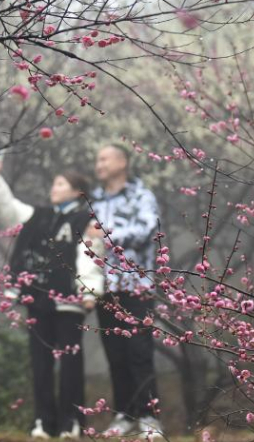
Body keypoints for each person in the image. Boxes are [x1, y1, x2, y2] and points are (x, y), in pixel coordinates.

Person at [0, 158, 104, 440]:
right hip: (37, 299)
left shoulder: (86, 220)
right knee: (40, 362)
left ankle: (71, 422)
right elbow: (7, 207)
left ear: (77, 191)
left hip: (69, 301)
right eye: (54, 183)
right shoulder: (39, 215)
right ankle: (43, 423)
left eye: (60, 184)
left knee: (71, 362)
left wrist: (89, 292)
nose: (54, 189)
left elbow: (92, 255)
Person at [87, 144, 164, 440]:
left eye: (104, 158)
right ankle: (125, 415)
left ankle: (149, 416)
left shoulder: (141, 197)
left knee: (139, 352)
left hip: (135, 285)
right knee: (115, 355)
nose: (99, 164)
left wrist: (106, 235)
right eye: (98, 159)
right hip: (105, 287)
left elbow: (146, 232)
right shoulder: (94, 199)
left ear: (123, 162)